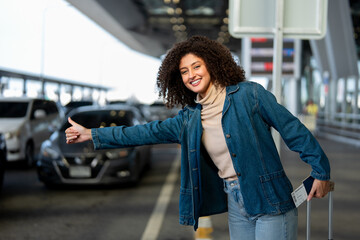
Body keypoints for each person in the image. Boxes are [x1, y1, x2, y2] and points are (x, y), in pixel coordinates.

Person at [65, 35, 331, 240]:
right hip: (236, 201)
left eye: (196, 66)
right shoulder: (189, 118)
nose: (191, 74)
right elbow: (143, 132)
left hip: (271, 198)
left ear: (212, 65)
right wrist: (91, 133)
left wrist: (320, 171)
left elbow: (292, 129)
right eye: (184, 71)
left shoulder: (249, 95)